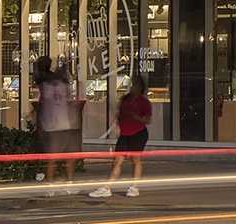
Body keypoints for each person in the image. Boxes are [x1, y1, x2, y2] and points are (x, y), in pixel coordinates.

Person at [89, 75, 152, 199]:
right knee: (117, 161)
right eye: (132, 84)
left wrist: (135, 117)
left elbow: (147, 120)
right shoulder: (125, 99)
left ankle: (134, 187)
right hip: (125, 133)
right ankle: (106, 188)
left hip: (138, 132)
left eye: (135, 85)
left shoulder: (144, 102)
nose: (132, 87)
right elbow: (120, 114)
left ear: (140, 87)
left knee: (135, 159)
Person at [33, 57, 82, 192]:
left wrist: (41, 124)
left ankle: (51, 186)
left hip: (53, 126)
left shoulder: (45, 84)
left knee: (52, 158)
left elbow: (45, 105)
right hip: (65, 124)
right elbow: (70, 99)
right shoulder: (61, 85)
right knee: (68, 157)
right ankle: (68, 183)